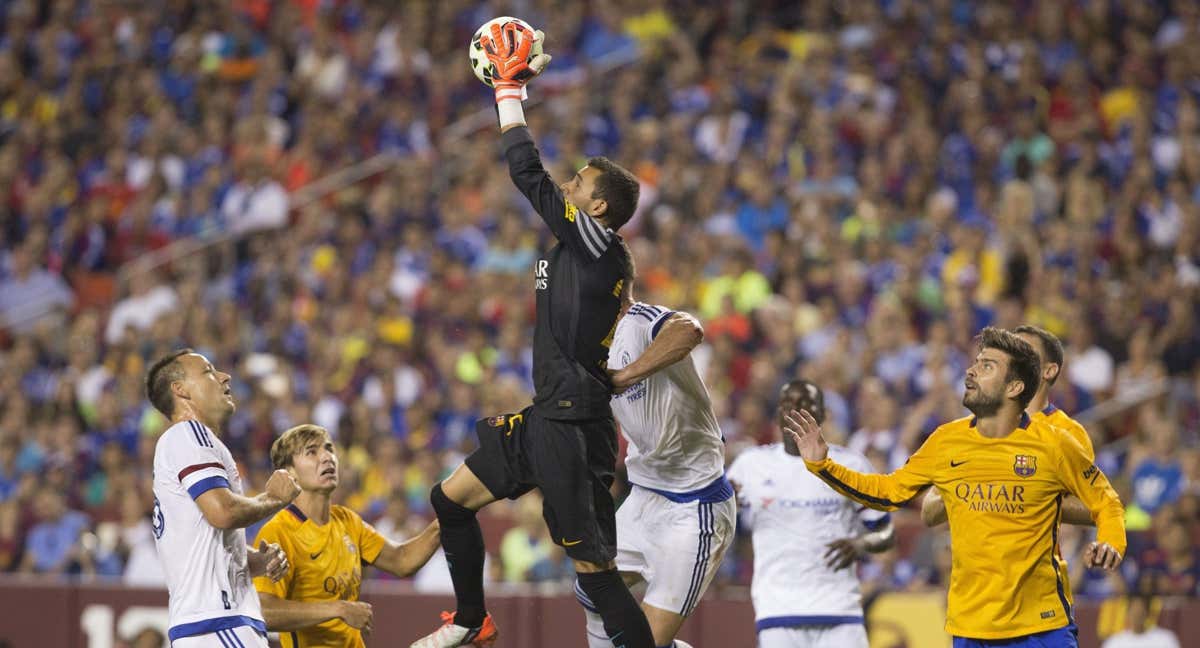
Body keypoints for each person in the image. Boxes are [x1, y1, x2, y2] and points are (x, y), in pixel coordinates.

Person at [410, 22, 653, 648]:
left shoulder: (599, 244)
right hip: (552, 413)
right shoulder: (586, 248)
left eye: (581, 185)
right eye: (572, 181)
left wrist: (509, 92)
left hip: (574, 426)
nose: (569, 189)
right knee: (450, 498)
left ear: (598, 209)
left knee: (596, 577)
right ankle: (471, 620)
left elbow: (529, 173)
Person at [784, 327, 1126, 647]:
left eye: (987, 366)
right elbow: (888, 492)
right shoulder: (947, 440)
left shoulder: (1056, 443)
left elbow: (1107, 503)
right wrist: (822, 464)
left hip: (1041, 625)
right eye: (975, 363)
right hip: (969, 627)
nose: (971, 372)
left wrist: (1110, 542)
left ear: (1014, 387)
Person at [578, 298, 735, 648]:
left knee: (642, 643)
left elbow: (689, 330)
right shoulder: (590, 342)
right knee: (591, 588)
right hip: (644, 495)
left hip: (695, 507)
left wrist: (625, 375)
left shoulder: (639, 320)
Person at [922, 325, 1097, 607]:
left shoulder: (1068, 434)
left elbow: (1096, 509)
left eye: (1024, 351)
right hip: (978, 597)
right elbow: (929, 513)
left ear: (1048, 371)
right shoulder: (970, 430)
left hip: (1037, 596)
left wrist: (1029, 498)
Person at [147, 348, 301, 647]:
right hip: (220, 621)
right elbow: (222, 512)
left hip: (206, 625)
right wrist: (274, 498)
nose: (223, 376)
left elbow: (202, 537)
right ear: (180, 390)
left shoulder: (185, 444)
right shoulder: (189, 434)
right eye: (207, 371)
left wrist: (254, 560)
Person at [728, 380, 895, 648]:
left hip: (841, 612)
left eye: (805, 405)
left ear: (823, 414)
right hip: (778, 612)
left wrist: (860, 544)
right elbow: (718, 527)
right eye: (788, 405)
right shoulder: (750, 466)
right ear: (778, 413)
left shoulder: (852, 465)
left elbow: (886, 532)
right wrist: (724, 506)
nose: (795, 411)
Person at [254, 424, 442, 648]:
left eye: (329, 449)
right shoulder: (279, 531)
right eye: (312, 452)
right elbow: (264, 611)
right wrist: (338, 608)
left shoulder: (347, 520)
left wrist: (447, 520)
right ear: (289, 472)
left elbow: (402, 560)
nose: (327, 457)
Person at [1100, 594, 1181, 648]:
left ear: (1147, 613)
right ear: (1127, 614)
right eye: (1134, 612)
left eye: (1140, 612)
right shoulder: (1114, 642)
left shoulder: (1165, 639)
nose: (1137, 616)